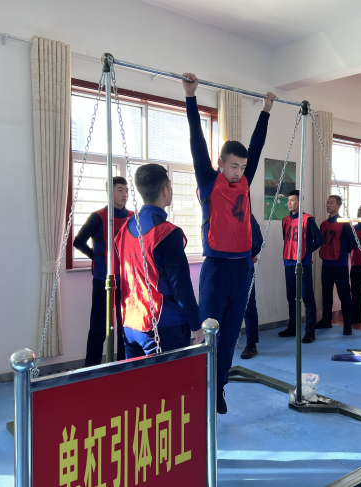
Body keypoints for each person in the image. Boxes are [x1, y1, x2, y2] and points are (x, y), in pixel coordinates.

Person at [183, 72, 276, 414]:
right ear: (221, 163)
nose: (238, 172)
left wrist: (266, 111)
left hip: (242, 270)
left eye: (242, 167)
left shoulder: (245, 182)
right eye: (234, 166)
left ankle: (219, 387)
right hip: (216, 269)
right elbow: (196, 141)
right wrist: (191, 98)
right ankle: (200, 386)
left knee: (231, 337)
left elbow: (257, 145)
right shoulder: (209, 181)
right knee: (209, 334)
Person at [115, 164, 204, 358]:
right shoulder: (167, 233)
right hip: (163, 325)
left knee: (137, 377)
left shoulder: (125, 228)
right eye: (170, 187)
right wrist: (196, 325)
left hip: (131, 322)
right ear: (164, 190)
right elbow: (180, 286)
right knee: (168, 377)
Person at [73, 176, 132, 367]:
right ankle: (92, 368)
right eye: (120, 190)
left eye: (126, 190)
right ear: (109, 192)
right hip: (103, 279)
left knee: (126, 325)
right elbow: (78, 241)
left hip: (127, 280)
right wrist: (97, 257)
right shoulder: (98, 216)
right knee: (99, 325)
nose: (125, 194)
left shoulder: (133, 217)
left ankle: (124, 364)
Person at [278, 190, 324, 342]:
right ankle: (292, 328)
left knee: (307, 297)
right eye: (288, 200)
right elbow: (286, 240)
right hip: (288, 262)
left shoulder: (307, 219)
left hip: (302, 263)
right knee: (291, 298)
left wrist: (307, 251)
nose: (289, 203)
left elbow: (319, 239)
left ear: (300, 201)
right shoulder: (285, 220)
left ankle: (310, 331)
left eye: (292, 200)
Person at [315, 195, 357, 335]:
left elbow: (352, 242)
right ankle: (326, 320)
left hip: (339, 264)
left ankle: (347, 325)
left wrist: (342, 252)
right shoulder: (324, 224)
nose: (328, 205)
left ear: (338, 206)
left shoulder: (344, 223)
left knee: (344, 295)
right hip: (326, 263)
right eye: (327, 202)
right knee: (326, 294)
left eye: (331, 203)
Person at [240, 214, 263, 360]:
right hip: (226, 265)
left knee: (248, 305)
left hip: (244, 265)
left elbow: (257, 241)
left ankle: (251, 344)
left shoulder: (247, 215)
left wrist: (250, 254)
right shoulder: (219, 211)